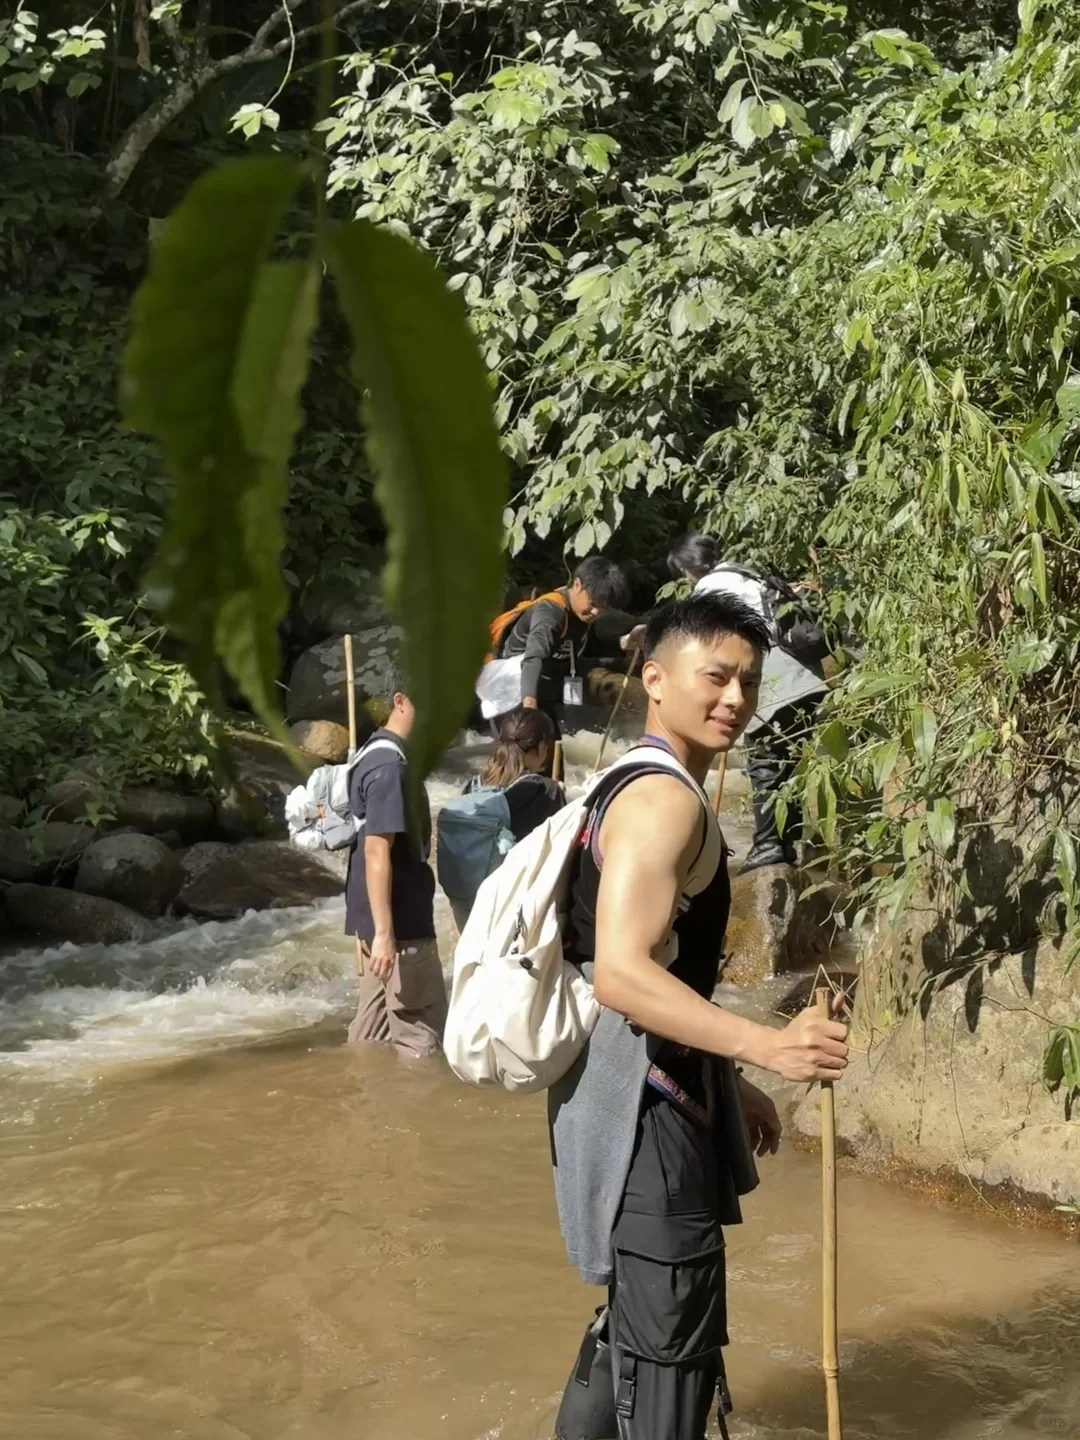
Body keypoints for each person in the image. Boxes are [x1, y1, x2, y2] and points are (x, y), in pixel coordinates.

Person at [549, 592, 848, 1440]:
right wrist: (772, 1043)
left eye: (749, 683)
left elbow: (663, 972)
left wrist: (728, 1076)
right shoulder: (664, 802)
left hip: (624, 1096)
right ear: (654, 678)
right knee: (670, 1350)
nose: (735, 700)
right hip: (644, 1114)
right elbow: (621, 973)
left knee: (637, 1332)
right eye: (715, 677)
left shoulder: (640, 781)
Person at [667, 532, 829, 873]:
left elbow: (707, 649)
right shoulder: (749, 574)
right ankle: (786, 844)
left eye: (683, 573)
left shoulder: (709, 588)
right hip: (807, 676)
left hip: (768, 676)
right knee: (791, 761)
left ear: (689, 568)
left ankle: (769, 845)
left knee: (765, 761)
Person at [344, 660, 447, 1058]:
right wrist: (388, 934)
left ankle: (363, 1101)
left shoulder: (374, 752)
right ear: (400, 702)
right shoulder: (391, 768)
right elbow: (375, 850)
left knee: (371, 1031)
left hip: (375, 917)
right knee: (420, 1033)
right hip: (400, 924)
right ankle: (419, 1117)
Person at [445, 707, 566, 929]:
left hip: (469, 909)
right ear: (541, 747)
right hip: (514, 911)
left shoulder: (473, 786)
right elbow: (560, 858)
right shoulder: (546, 791)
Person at [486, 557, 631, 737]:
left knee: (553, 752)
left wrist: (624, 643)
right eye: (593, 604)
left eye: (602, 608)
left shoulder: (581, 614)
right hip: (513, 691)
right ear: (577, 585)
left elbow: (587, 646)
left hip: (542, 687)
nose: (595, 613)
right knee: (521, 755)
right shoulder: (550, 613)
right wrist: (530, 708)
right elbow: (534, 657)